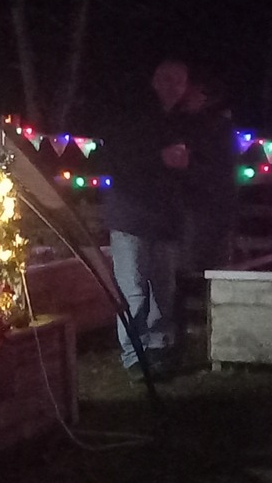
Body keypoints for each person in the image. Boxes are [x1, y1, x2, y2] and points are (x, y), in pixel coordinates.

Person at [101, 58, 192, 379]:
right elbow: (116, 158)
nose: (173, 86)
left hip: (164, 219)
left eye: (179, 81)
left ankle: (159, 348)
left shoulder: (180, 121)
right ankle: (134, 355)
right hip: (131, 217)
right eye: (167, 79)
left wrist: (185, 167)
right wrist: (159, 158)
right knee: (135, 290)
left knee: (162, 289)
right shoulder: (132, 115)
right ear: (154, 81)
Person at [175, 68, 239, 275]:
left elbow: (215, 163)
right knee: (200, 259)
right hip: (204, 200)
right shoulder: (192, 123)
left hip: (206, 200)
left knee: (202, 258)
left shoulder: (209, 124)